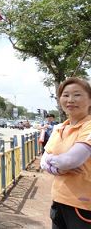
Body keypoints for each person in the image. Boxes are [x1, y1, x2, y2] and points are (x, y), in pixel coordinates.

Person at [40, 77, 91, 228]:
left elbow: (70, 161)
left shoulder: (89, 126)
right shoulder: (61, 127)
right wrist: (57, 167)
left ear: (90, 101)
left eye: (77, 94)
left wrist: (53, 161)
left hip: (83, 205)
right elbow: (43, 161)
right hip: (59, 199)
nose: (70, 100)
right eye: (65, 95)